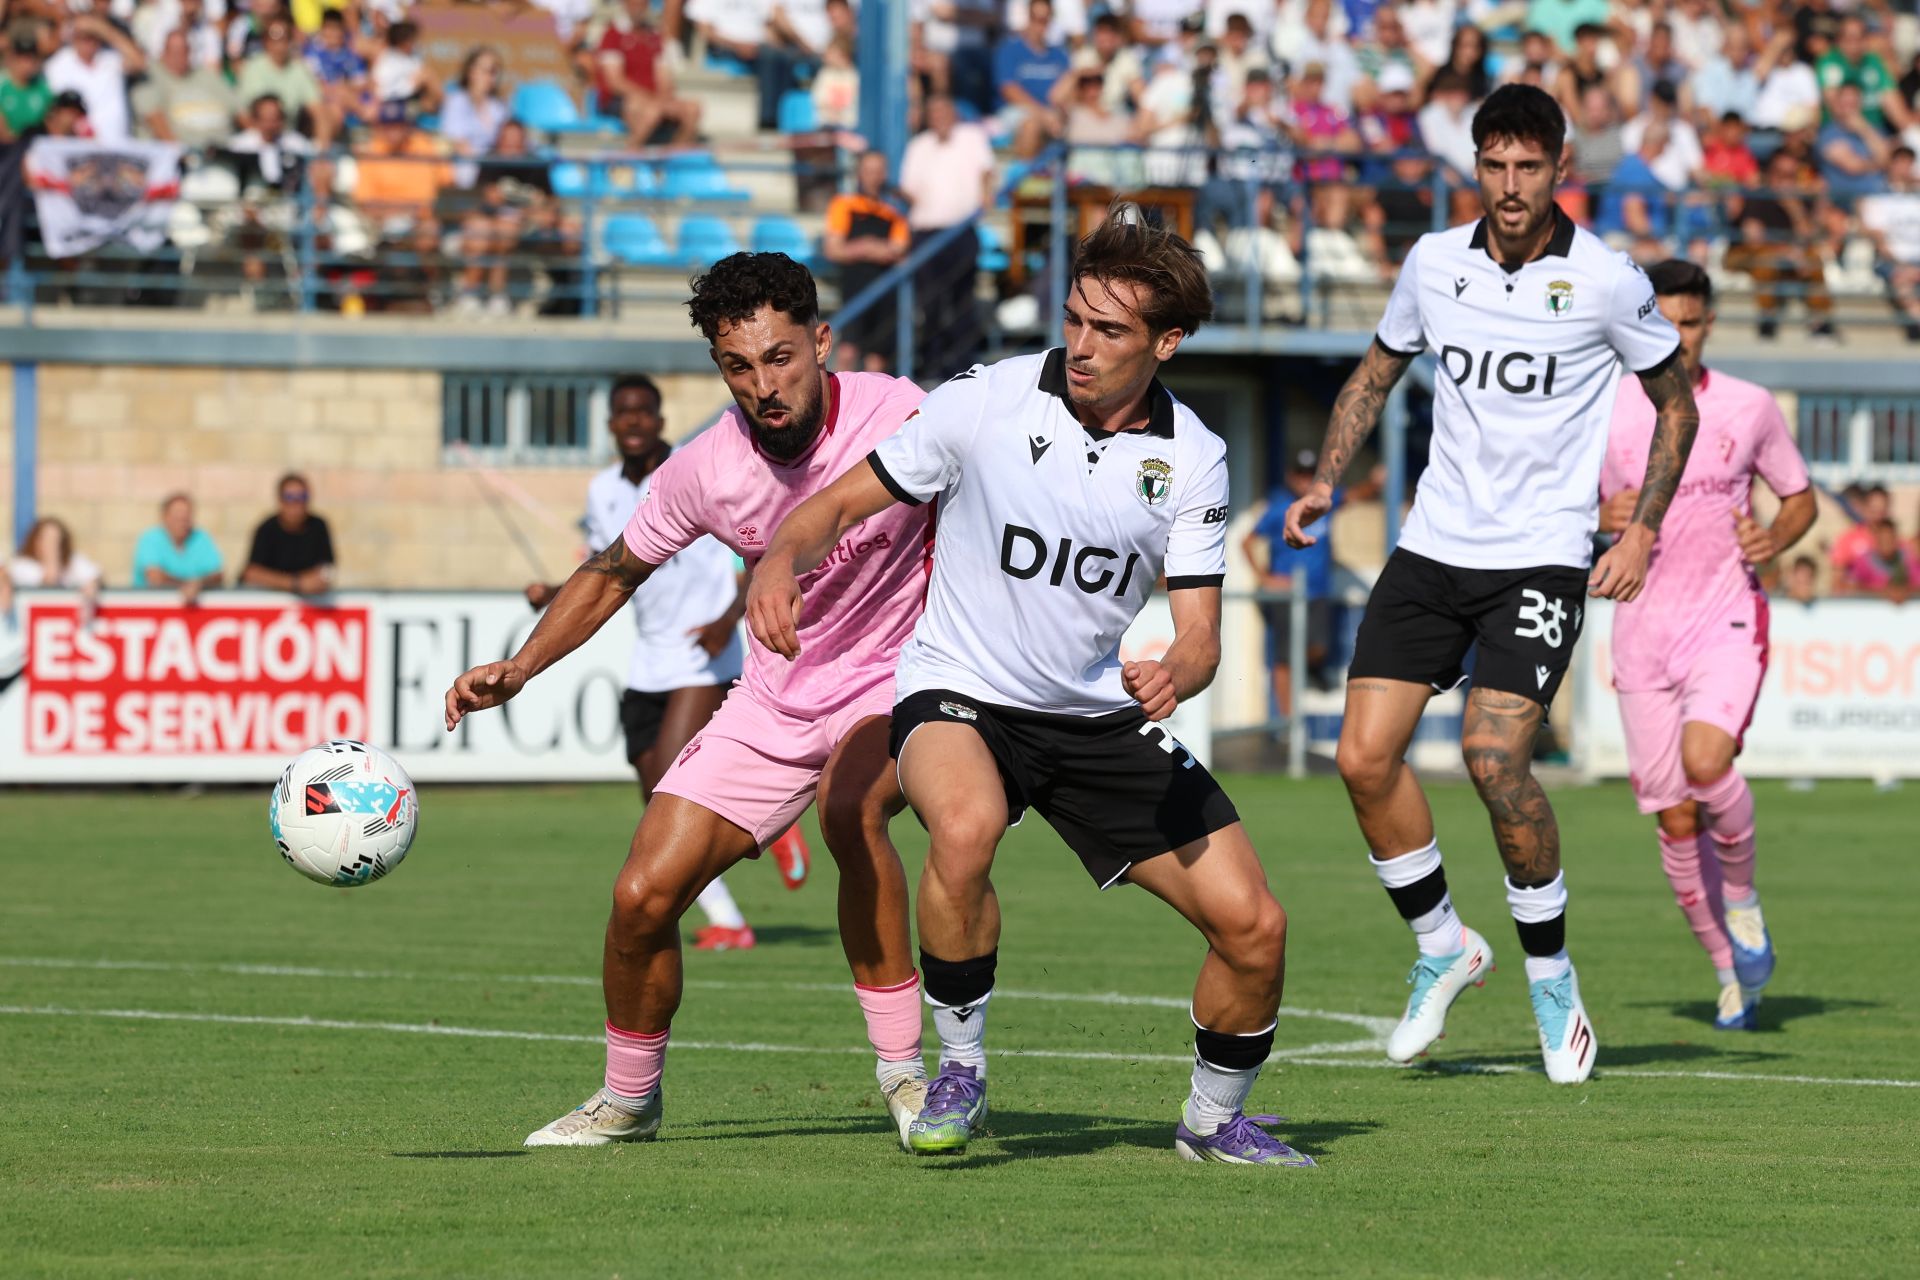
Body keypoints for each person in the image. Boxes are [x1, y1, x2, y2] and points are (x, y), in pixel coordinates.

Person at [749, 208, 1312, 1168]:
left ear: (1167, 343)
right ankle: (959, 1068)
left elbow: (1203, 633)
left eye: (1112, 330)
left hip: (1093, 713)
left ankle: (1213, 1122)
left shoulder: (1195, 457)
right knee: (963, 830)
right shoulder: (991, 399)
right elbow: (841, 501)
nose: (1082, 346)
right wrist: (779, 558)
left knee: (1256, 926)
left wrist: (1179, 669)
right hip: (958, 689)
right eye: (1076, 319)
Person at [444, 253, 935, 1150]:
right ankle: (629, 1100)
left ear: (822, 342)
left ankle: (906, 1076)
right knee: (641, 894)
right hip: (776, 700)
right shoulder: (705, 468)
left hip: (904, 683)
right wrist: (518, 668)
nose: (764, 386)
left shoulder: (901, 414)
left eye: (782, 357)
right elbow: (611, 573)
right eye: (739, 367)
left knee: (850, 811)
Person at [1282, 84, 1699, 1086]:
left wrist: (1640, 528)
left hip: (1541, 555)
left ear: (1561, 168)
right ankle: (1442, 945)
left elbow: (1674, 402)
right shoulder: (1433, 262)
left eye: (1529, 167)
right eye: (1494, 166)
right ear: (1477, 166)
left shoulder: (1605, 280)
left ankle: (1553, 981)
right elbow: (1376, 372)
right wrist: (1326, 480)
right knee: (1360, 758)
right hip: (1434, 548)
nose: (1510, 187)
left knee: (1492, 757)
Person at [1597, 260, 1815, 1032]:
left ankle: (1745, 899)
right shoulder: (1606, 408)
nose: (1679, 338)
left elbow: (1799, 498)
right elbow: (1568, 513)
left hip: (1724, 616)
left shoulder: (1749, 407)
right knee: (1676, 820)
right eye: (1666, 323)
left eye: (1691, 323)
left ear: (1708, 324)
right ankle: (1730, 971)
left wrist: (1774, 537)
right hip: (1640, 631)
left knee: (1706, 764)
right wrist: (1602, 513)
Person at [522, 373, 812, 950]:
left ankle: (736, 901)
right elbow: (613, 565)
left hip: (704, 656)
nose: (633, 422)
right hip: (648, 660)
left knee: (669, 790)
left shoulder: (697, 472)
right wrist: (552, 592)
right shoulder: (602, 489)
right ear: (610, 423)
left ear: (658, 420)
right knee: (652, 790)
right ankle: (731, 910)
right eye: (622, 412)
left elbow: (756, 555)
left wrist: (727, 620)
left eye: (643, 412)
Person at [1244, 450, 1338, 720]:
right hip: (1287, 596)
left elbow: (1355, 495)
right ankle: (1287, 725)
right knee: (1284, 658)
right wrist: (1265, 578)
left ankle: (1309, 671)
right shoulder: (1278, 505)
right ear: (1290, 476)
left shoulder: (1326, 502)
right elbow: (1247, 541)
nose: (1304, 480)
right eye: (1300, 474)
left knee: (1318, 648)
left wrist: (1376, 483)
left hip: (1318, 592)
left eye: (1310, 475)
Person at [822, 149, 909, 372]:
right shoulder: (844, 205)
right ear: (859, 173)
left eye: (879, 171)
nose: (874, 177)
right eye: (869, 171)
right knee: (847, 352)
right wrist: (870, 247)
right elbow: (833, 249)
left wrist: (861, 247)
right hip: (854, 288)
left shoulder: (893, 214)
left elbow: (898, 251)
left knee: (877, 359)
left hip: (884, 292)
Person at [594, 0, 702, 147]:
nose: (638, 7)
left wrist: (664, 98)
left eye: (642, 3)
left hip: (651, 98)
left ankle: (674, 155)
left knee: (692, 109)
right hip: (621, 99)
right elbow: (615, 82)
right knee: (651, 111)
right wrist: (650, 99)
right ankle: (631, 151)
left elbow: (663, 76)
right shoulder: (612, 35)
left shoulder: (654, 36)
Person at [240, 472, 336, 594]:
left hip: (312, 606)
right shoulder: (267, 529)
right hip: (271, 604)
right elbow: (251, 573)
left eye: (302, 497)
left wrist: (318, 580)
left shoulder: (318, 526)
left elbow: (327, 571)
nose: (296, 503)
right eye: (290, 497)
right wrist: (296, 584)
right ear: (280, 500)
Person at [2, 515, 103, 622]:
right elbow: (50, 579)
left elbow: (94, 575)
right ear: (35, 540)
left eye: (56, 539)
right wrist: (51, 553)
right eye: (45, 538)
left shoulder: (72, 560)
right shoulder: (22, 564)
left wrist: (91, 586)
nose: (51, 543)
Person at [132, 492, 225, 603]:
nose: (182, 522)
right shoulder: (150, 539)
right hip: (150, 608)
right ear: (164, 517)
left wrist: (199, 584)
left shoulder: (201, 538)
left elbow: (218, 575)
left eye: (186, 517)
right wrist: (188, 585)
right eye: (177, 517)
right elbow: (155, 578)